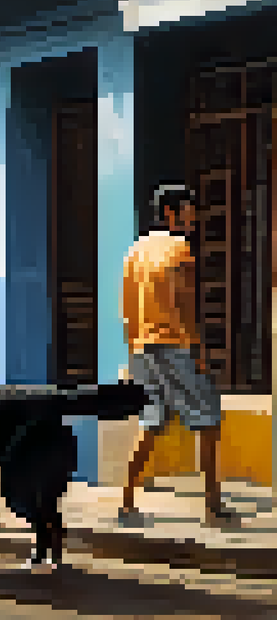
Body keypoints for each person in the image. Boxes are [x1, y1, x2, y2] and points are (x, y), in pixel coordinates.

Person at [119, 184, 235, 528]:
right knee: (209, 419)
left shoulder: (135, 251)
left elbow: (127, 311)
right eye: (187, 209)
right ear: (170, 213)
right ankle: (212, 506)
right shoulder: (179, 248)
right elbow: (184, 305)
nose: (193, 216)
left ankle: (126, 502)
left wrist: (131, 355)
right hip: (172, 346)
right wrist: (196, 350)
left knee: (151, 423)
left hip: (142, 348)